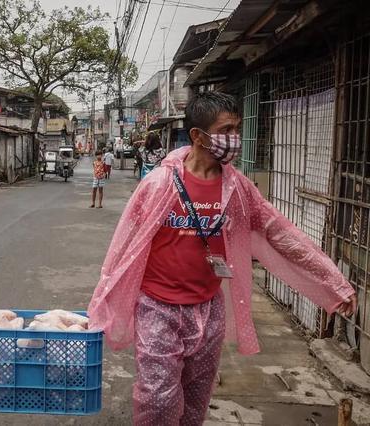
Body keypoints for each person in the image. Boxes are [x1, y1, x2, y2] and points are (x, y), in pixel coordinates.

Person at [87, 91, 356, 426]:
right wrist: (103, 298)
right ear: (199, 136)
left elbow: (282, 234)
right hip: (158, 309)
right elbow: (123, 247)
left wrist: (333, 282)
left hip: (208, 309)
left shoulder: (239, 189)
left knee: (197, 396)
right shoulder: (158, 185)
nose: (234, 139)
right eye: (226, 129)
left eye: (237, 129)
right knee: (158, 399)